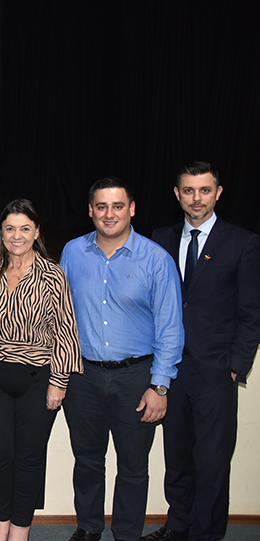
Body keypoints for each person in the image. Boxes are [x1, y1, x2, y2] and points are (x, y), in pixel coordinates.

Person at [60, 177, 184, 541]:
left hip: (136, 377)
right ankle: (89, 528)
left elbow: (170, 327)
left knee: (133, 466)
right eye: (101, 206)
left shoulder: (157, 259)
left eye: (117, 206)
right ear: (90, 211)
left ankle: (127, 533)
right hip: (82, 376)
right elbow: (60, 315)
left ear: (132, 209)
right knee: (87, 460)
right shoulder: (72, 252)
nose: (109, 214)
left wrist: (160, 385)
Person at [143, 162, 260, 541]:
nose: (197, 199)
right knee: (176, 460)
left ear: (218, 193)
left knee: (211, 463)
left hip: (215, 372)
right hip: (171, 368)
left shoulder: (243, 242)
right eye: (189, 191)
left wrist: (234, 367)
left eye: (204, 191)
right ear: (177, 194)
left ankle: (206, 534)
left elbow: (251, 312)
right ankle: (179, 527)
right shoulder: (159, 238)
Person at [0, 199, 83, 541]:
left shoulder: (53, 275)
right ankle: (1, 522)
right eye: (10, 228)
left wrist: (59, 382)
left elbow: (65, 330)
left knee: (29, 458)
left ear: (37, 232)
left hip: (39, 378)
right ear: (1, 233)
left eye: (25, 228)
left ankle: (20, 529)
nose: (17, 236)